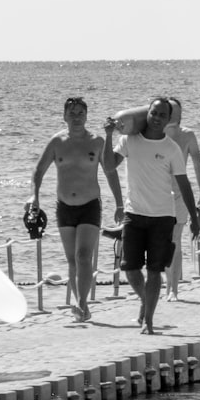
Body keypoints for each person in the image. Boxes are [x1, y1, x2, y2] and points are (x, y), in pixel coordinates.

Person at [103, 98, 200, 335]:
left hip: (162, 217)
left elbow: (184, 184)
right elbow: (108, 166)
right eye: (154, 113)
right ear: (147, 113)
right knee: (130, 269)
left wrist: (195, 219)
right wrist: (108, 136)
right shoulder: (128, 140)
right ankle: (146, 300)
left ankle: (148, 321)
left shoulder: (171, 148)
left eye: (162, 115)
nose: (157, 118)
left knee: (155, 270)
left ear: (168, 120)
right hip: (134, 215)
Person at [31, 97, 124, 322]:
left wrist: (120, 204)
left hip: (90, 206)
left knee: (84, 256)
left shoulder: (97, 141)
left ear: (86, 116)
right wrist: (34, 197)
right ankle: (82, 305)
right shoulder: (56, 142)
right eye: (71, 113)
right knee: (72, 261)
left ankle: (81, 303)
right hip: (64, 207)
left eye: (80, 113)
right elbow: (38, 171)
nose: (76, 117)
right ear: (64, 116)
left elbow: (110, 172)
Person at [163, 97, 200, 302]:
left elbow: (198, 164)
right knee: (162, 241)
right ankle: (166, 285)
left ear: (180, 114)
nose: (172, 114)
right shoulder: (156, 134)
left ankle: (173, 289)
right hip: (158, 193)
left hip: (181, 192)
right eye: (169, 111)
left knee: (175, 239)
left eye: (175, 111)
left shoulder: (188, 135)